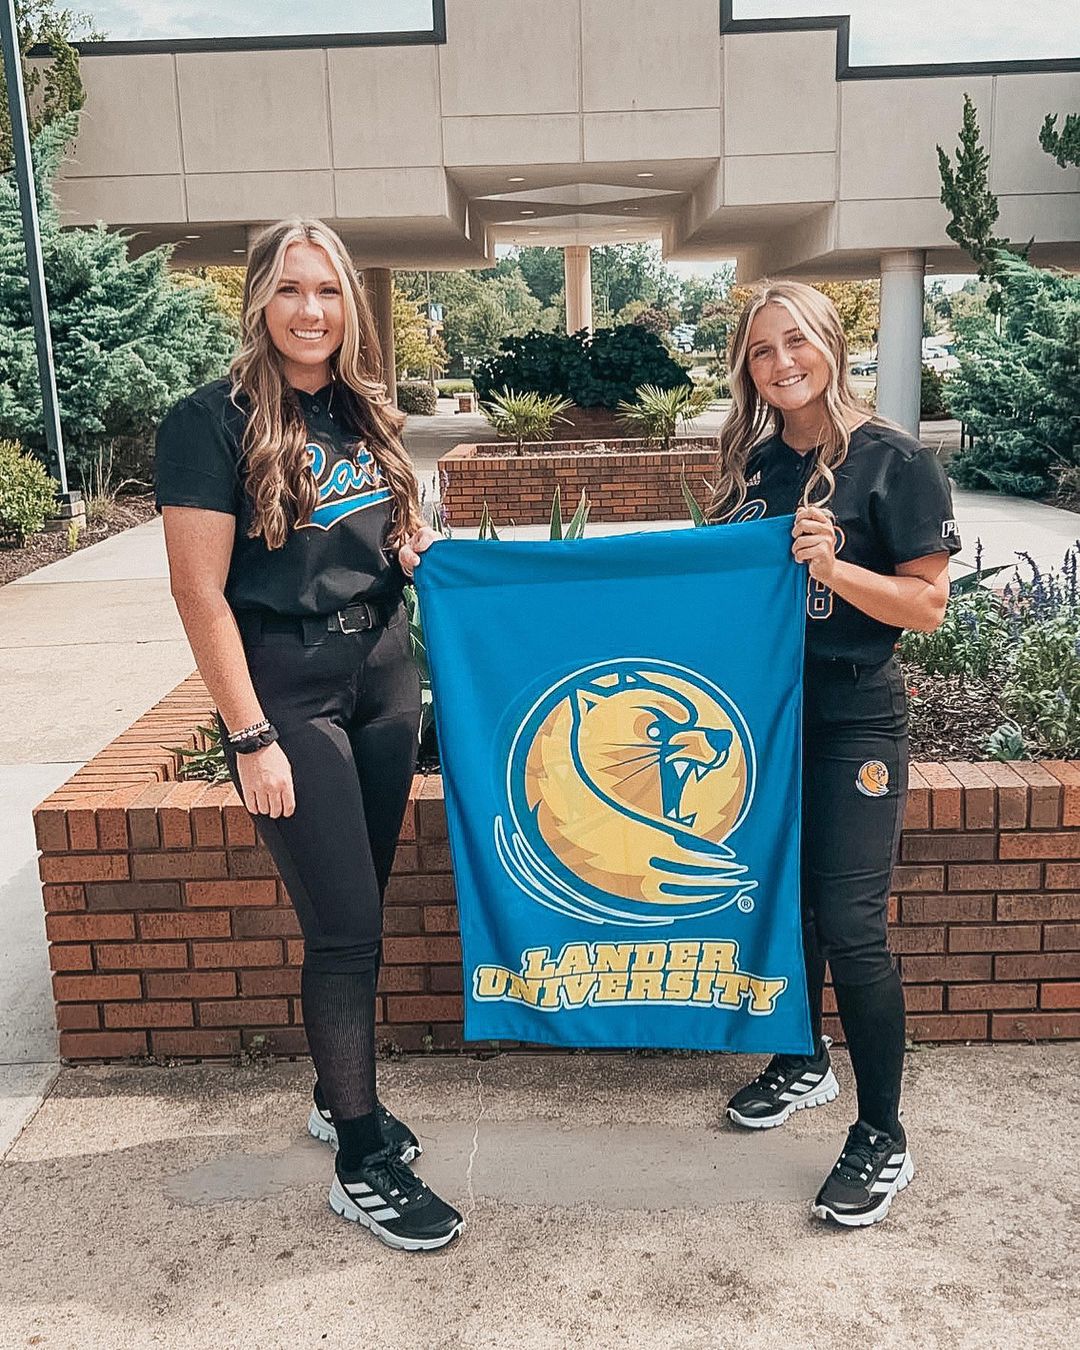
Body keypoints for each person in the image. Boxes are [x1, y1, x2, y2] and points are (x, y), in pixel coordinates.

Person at [155, 217, 464, 1252]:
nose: (311, 310)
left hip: (383, 676)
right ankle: (361, 1159)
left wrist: (411, 548)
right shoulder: (210, 420)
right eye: (291, 289)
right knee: (344, 928)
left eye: (328, 290)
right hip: (289, 688)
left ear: (350, 304)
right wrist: (249, 737)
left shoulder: (365, 409)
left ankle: (340, 1096)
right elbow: (199, 593)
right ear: (258, 298)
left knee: (358, 907)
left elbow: (378, 534)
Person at [709, 281, 959, 1227]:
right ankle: (804, 1058)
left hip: (855, 717)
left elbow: (927, 607)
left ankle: (882, 1134)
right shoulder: (755, 465)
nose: (782, 363)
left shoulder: (894, 459)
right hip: (767, 717)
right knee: (788, 902)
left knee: (852, 925)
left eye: (797, 341)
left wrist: (834, 566)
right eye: (761, 350)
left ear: (831, 345)